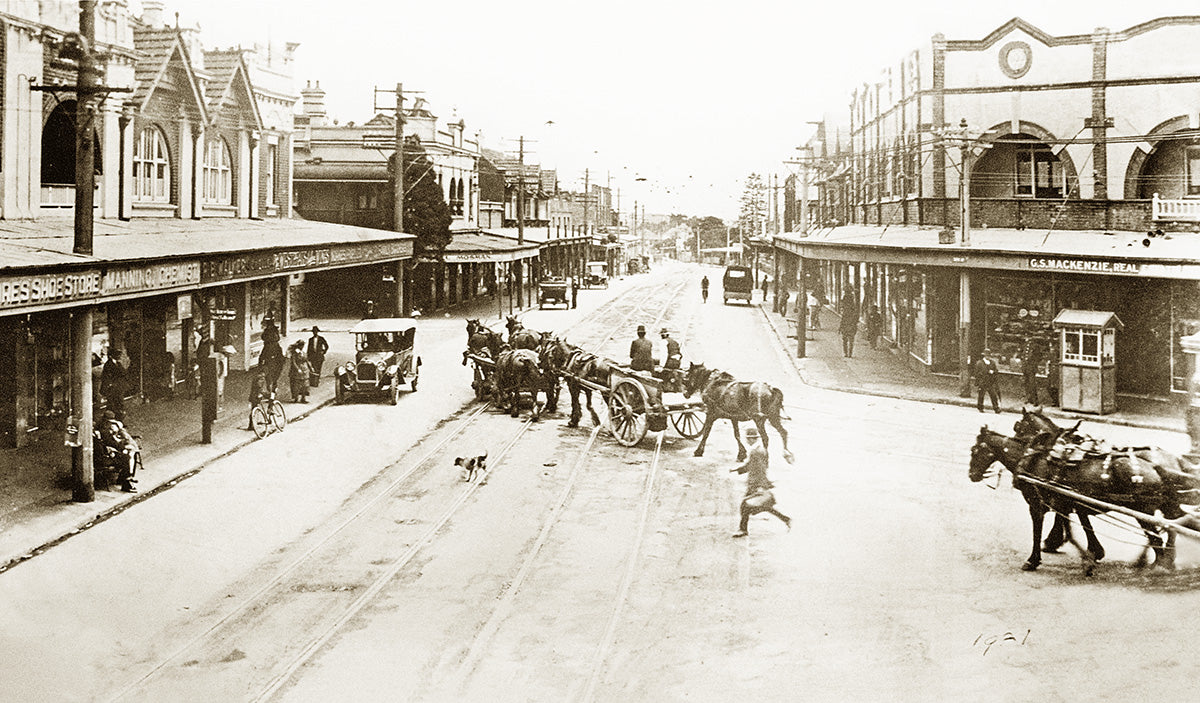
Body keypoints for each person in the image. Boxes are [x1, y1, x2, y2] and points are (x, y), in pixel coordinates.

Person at [731, 426, 790, 537]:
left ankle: (743, 529)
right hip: (756, 483)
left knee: (744, 505)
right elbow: (751, 466)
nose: (747, 441)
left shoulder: (756, 452)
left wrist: (760, 486)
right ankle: (785, 519)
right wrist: (737, 469)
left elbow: (760, 469)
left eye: (749, 439)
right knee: (765, 507)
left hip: (756, 484)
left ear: (753, 439)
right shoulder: (760, 450)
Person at [95, 410, 137, 492]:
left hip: (105, 454)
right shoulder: (104, 431)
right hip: (105, 457)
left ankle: (125, 479)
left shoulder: (102, 429)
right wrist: (122, 446)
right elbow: (109, 443)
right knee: (126, 458)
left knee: (127, 456)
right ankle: (126, 482)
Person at [973, 348, 1002, 414]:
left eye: (989, 355)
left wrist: (993, 372)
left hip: (990, 382)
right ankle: (980, 407)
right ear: (984, 356)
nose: (988, 357)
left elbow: (996, 371)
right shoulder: (979, 363)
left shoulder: (992, 363)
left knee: (993, 395)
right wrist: (984, 374)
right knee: (981, 395)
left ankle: (996, 408)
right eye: (986, 355)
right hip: (982, 382)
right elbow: (976, 373)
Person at [100, 348, 127, 418]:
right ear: (111, 356)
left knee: (119, 403)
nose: (119, 356)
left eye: (119, 354)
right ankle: (112, 420)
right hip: (112, 388)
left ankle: (119, 420)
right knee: (112, 405)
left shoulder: (118, 363)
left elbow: (124, 373)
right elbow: (106, 377)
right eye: (117, 354)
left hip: (118, 387)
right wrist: (110, 385)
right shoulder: (108, 364)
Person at [246, 365, 269, 430]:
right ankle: (251, 425)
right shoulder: (262, 377)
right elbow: (260, 387)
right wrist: (266, 394)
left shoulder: (257, 376)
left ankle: (251, 424)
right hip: (256, 396)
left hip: (253, 396)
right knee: (254, 410)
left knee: (253, 410)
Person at [1021, 337, 1042, 405]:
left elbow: (1038, 357)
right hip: (1026, 368)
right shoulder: (1025, 345)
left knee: (1032, 384)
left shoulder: (1035, 346)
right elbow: (1023, 356)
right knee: (1026, 384)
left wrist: (1034, 364)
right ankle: (1029, 399)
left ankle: (1035, 400)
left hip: (1031, 368)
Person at [839, 289, 859, 358]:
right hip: (851, 328)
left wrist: (840, 328)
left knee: (845, 341)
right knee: (851, 341)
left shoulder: (845, 314)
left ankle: (846, 353)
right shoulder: (854, 313)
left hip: (846, 328)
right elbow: (856, 322)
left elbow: (842, 321)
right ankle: (849, 353)